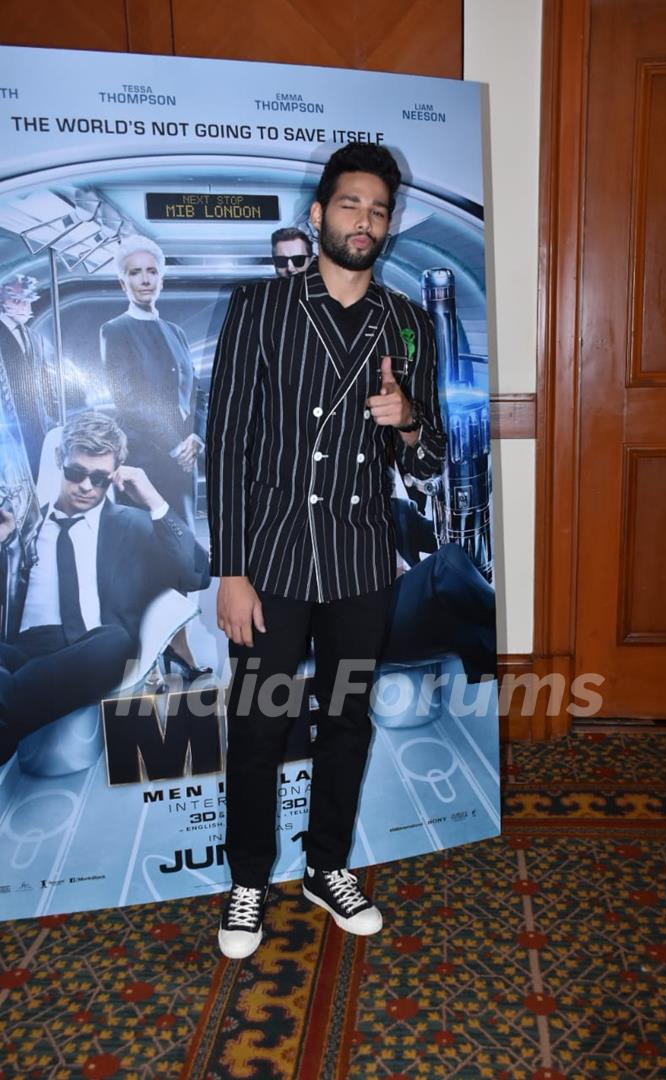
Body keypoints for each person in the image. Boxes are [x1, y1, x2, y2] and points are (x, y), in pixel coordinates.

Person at [206, 142, 447, 960]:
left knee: (345, 718)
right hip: (271, 559)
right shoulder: (260, 308)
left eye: (379, 210)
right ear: (318, 215)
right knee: (258, 724)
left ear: (390, 224)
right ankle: (247, 879)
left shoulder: (408, 323)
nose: (365, 222)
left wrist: (406, 419)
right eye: (350, 205)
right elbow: (228, 445)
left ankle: (326, 867)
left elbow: (430, 454)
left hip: (358, 560)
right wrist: (230, 570)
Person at [0, 411, 210, 765]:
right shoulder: (24, 524)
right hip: (23, 652)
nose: (85, 486)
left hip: (95, 649)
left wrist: (154, 501)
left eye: (98, 479)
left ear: (115, 473)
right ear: (58, 461)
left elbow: (197, 574)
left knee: (116, 641)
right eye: (75, 473)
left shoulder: (134, 524)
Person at [100, 235, 209, 680]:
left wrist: (196, 438)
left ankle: (179, 650)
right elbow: (127, 402)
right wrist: (172, 444)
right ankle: (156, 661)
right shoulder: (115, 330)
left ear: (161, 277)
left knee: (182, 563)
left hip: (182, 466)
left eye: (152, 271)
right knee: (150, 564)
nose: (145, 280)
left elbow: (195, 394)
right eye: (135, 272)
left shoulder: (177, 331)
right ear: (122, 281)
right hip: (144, 467)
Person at [0, 274, 58, 480]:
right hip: (8, 428)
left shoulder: (35, 338)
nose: (23, 306)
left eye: (27, 300)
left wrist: (52, 420)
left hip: (38, 426)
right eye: (16, 300)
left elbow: (46, 384)